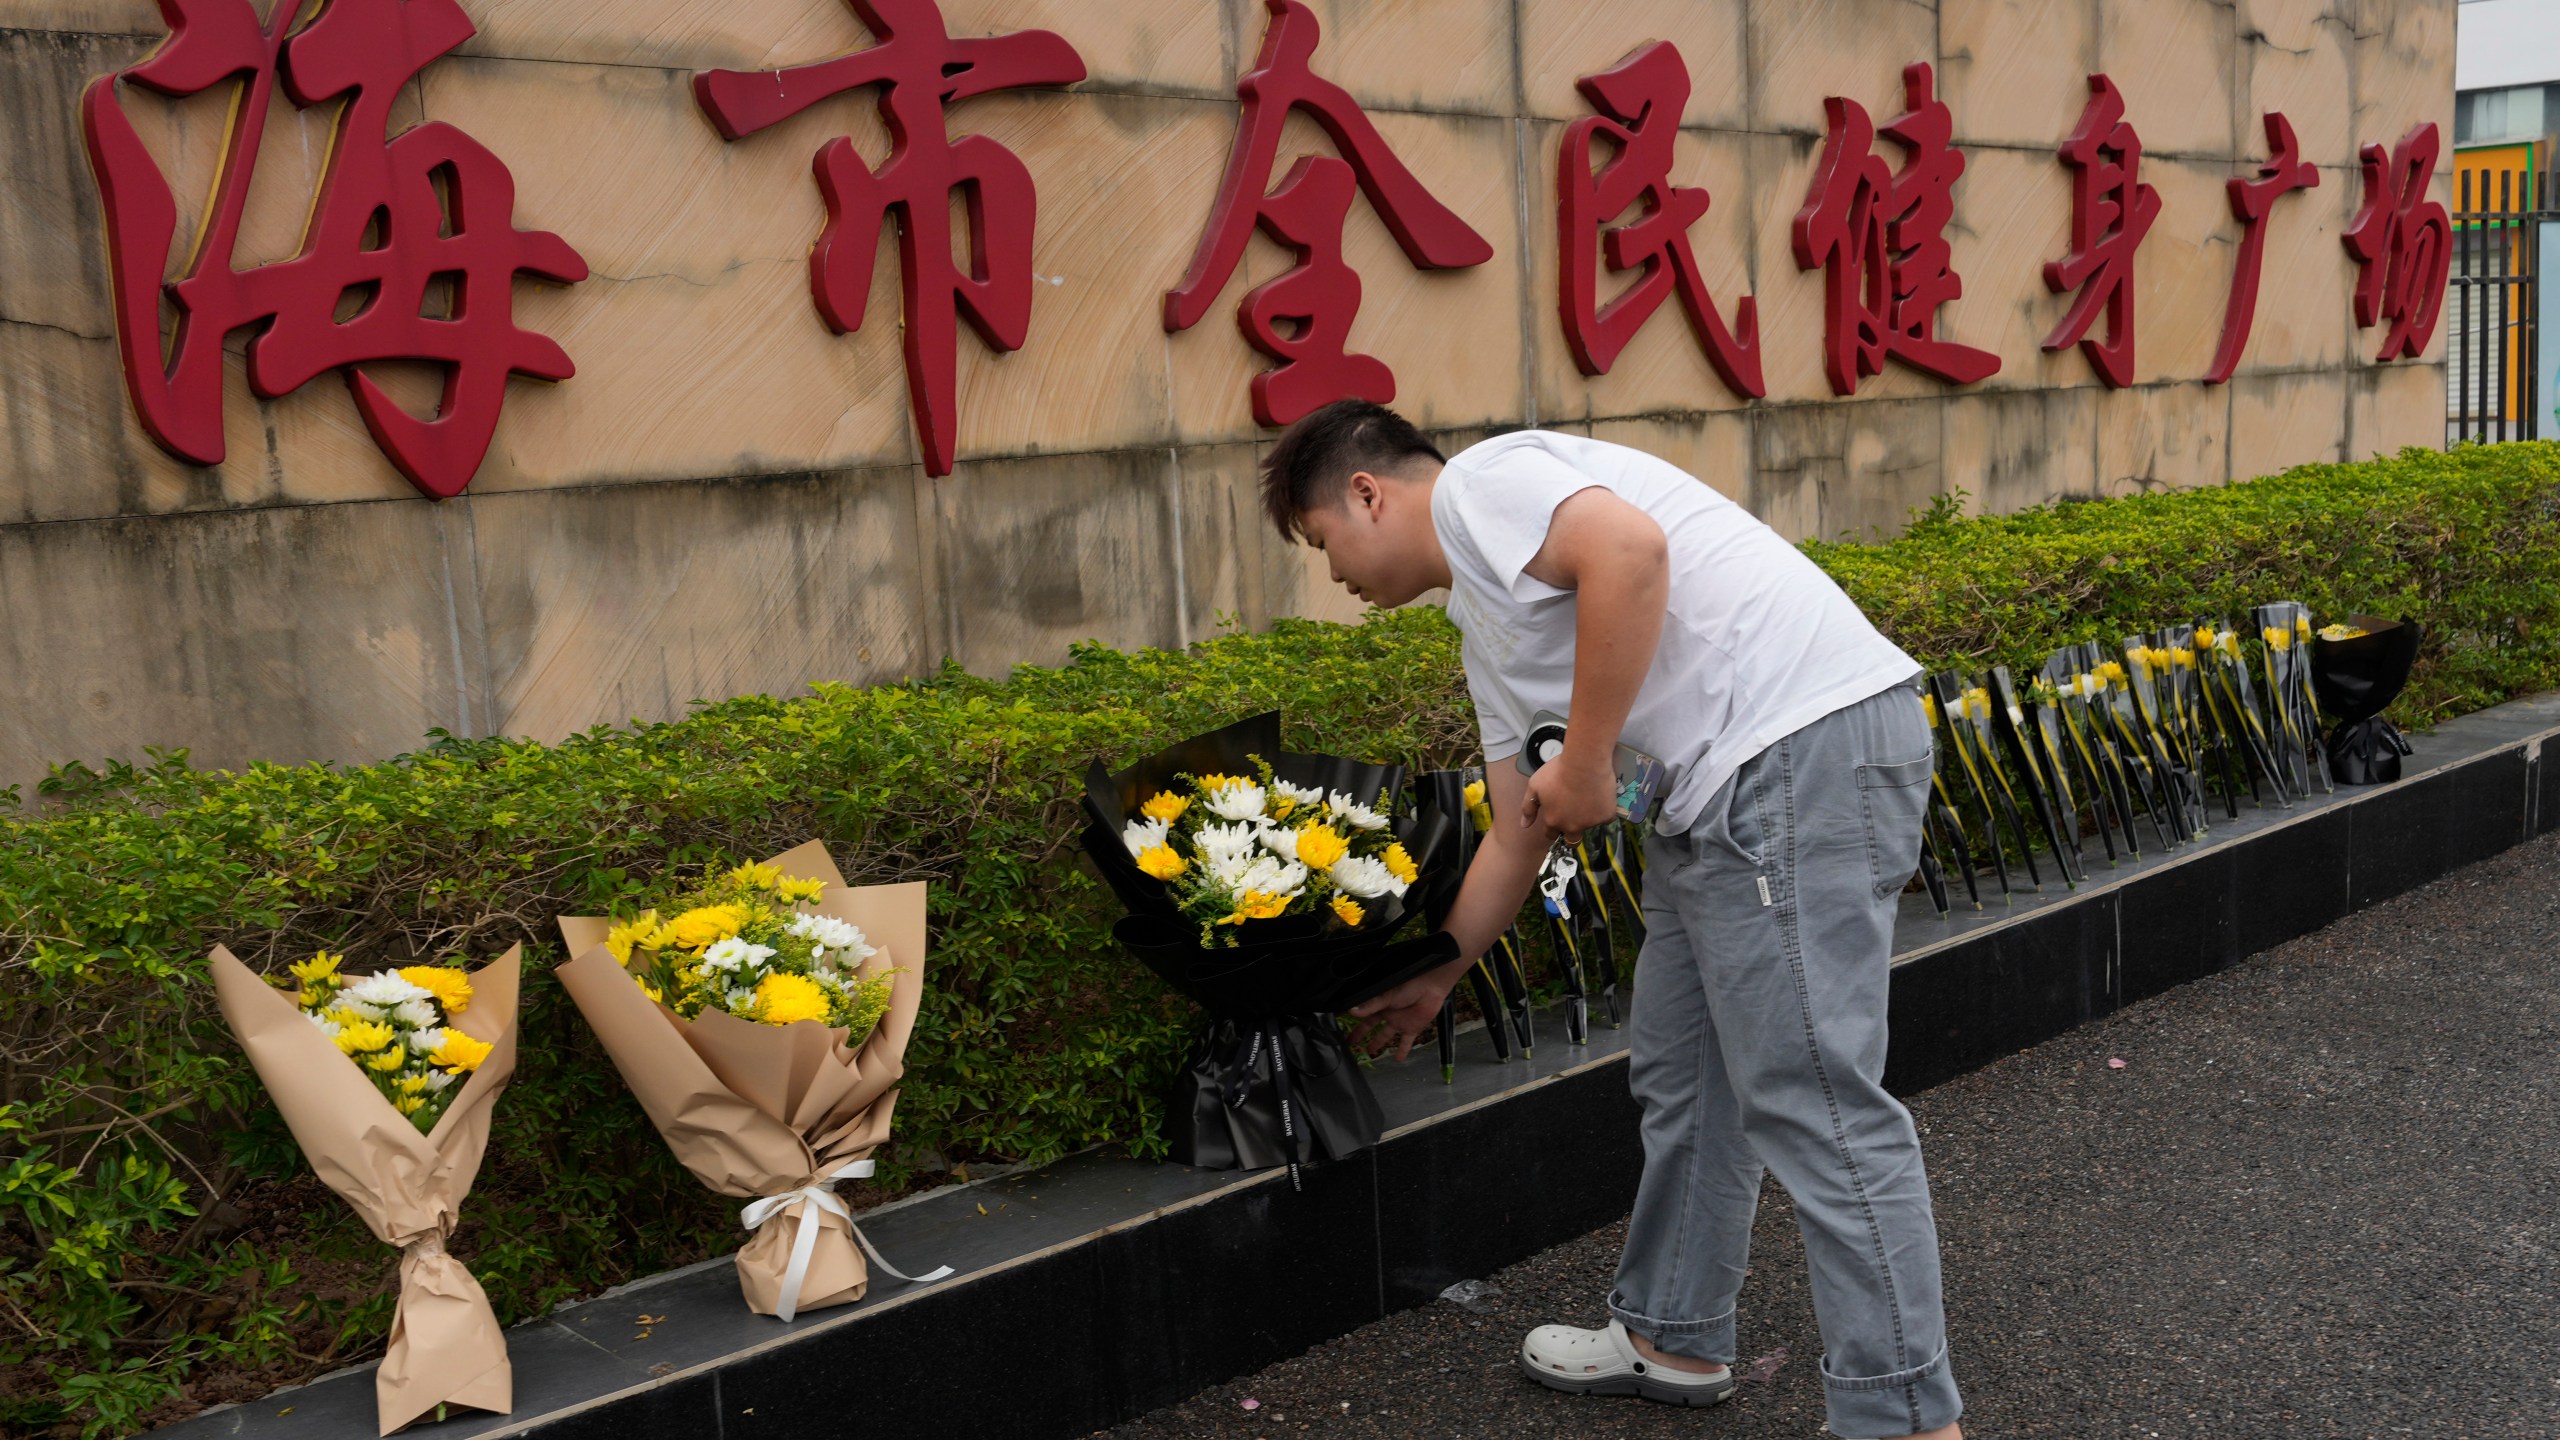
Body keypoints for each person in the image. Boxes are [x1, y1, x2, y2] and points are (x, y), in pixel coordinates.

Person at [1261, 400, 1963, 1440]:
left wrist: (1587, 757)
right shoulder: (1484, 620)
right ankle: (1674, 1333)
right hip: (1720, 795)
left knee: (1812, 1095)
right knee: (1687, 1072)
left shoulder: (1484, 486)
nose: (1333, 574)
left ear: (1369, 491)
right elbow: (1519, 825)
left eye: (1322, 542)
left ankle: (1904, 1420)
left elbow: (1629, 552)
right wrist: (1444, 968)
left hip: (1792, 754)